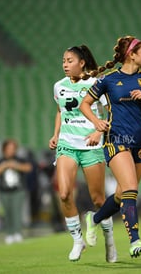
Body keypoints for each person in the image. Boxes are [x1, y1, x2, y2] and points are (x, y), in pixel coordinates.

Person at [79, 36, 141, 258]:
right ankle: (135, 241)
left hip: (140, 143)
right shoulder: (109, 80)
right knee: (131, 189)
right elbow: (84, 104)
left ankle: (94, 219)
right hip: (116, 140)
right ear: (132, 54)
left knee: (121, 194)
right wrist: (97, 123)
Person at [49, 45, 117, 262]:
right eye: (63, 61)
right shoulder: (59, 86)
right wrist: (55, 134)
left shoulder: (96, 84)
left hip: (91, 146)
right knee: (64, 194)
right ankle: (78, 240)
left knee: (98, 200)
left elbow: (111, 112)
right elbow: (60, 111)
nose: (65, 65)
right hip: (67, 145)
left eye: (69, 60)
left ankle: (109, 239)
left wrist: (99, 130)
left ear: (82, 63)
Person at [0, 139, 32, 244]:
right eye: (9, 148)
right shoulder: (0, 160)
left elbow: (28, 168)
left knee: (17, 212)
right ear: (4, 149)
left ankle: (17, 233)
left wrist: (16, 165)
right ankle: (9, 233)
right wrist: (5, 165)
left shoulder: (19, 159)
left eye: (13, 148)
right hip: (4, 191)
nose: (11, 150)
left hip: (18, 190)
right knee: (7, 213)